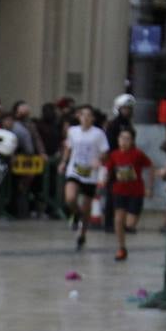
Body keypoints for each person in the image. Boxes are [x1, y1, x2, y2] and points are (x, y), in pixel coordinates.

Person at [62, 105, 109, 250]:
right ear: (79, 117)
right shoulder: (72, 131)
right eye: (83, 115)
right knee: (70, 198)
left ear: (93, 118)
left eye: (89, 115)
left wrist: (99, 161)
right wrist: (63, 162)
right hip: (74, 170)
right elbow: (68, 147)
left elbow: (105, 152)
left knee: (87, 205)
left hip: (90, 174)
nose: (86, 118)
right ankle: (76, 213)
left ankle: (82, 234)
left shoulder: (98, 134)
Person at [103, 128, 153, 261]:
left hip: (136, 192)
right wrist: (103, 180)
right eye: (122, 138)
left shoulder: (138, 154)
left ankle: (126, 230)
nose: (124, 141)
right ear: (118, 140)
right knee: (118, 219)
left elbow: (150, 167)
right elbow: (108, 170)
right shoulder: (114, 155)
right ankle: (121, 247)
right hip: (119, 191)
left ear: (132, 141)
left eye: (127, 139)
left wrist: (149, 187)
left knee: (130, 224)